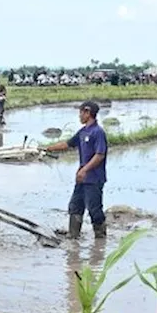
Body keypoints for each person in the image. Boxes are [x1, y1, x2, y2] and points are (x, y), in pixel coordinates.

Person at [45, 101, 108, 239]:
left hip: (94, 178)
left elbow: (100, 155)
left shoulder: (98, 132)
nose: (79, 116)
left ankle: (101, 240)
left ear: (87, 112)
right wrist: (48, 148)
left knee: (94, 209)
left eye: (80, 112)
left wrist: (84, 169)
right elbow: (67, 144)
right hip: (81, 178)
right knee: (75, 206)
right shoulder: (83, 131)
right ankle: (73, 236)